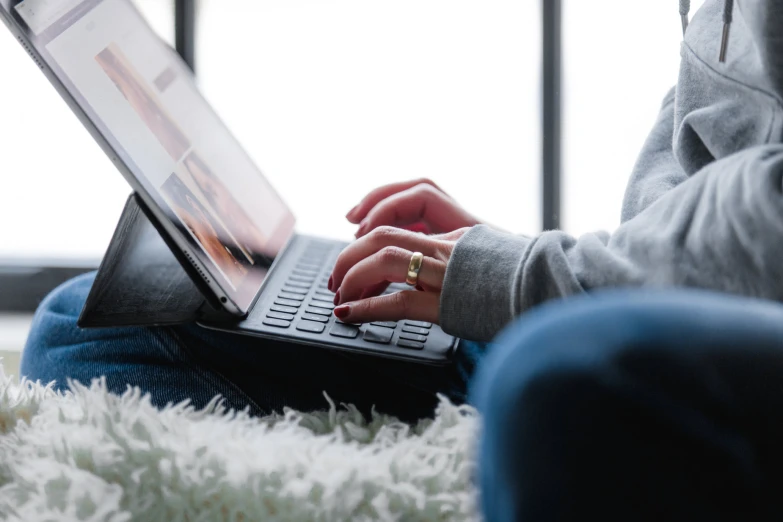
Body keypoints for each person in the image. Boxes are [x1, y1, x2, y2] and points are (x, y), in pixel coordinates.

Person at [20, 0, 783, 519]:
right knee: (87, 325)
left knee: (553, 384)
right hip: (652, 297)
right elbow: (701, 196)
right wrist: (525, 263)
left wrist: (526, 281)